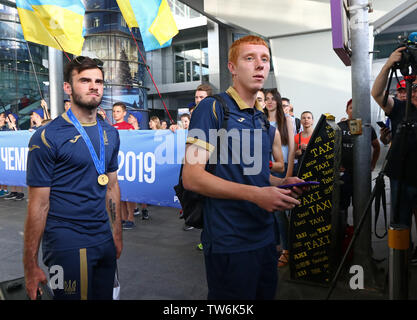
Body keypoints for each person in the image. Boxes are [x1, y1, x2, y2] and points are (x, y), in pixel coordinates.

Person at [182, 35, 304, 300]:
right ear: (232, 67)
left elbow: (256, 177)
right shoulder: (211, 108)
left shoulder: (260, 120)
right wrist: (257, 195)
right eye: (250, 58)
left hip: (264, 238)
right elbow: (191, 178)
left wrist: (279, 183)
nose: (260, 65)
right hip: (229, 240)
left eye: (265, 59)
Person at [23, 56, 123, 300]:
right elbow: (38, 204)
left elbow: (111, 186)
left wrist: (117, 234)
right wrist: (29, 265)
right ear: (68, 88)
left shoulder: (110, 132)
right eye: (85, 80)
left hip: (103, 239)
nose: (93, 86)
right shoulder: (47, 137)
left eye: (98, 81)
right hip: (65, 243)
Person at [371, 46, 417, 261]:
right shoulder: (400, 108)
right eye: (412, 88)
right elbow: (377, 94)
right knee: (400, 221)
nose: (414, 92)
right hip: (401, 176)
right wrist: (388, 65)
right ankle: (401, 261)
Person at [337, 98, 380, 232]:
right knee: (342, 205)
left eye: (356, 108)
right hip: (344, 175)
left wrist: (372, 165)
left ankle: (360, 234)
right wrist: (337, 166)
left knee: (361, 205)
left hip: (361, 175)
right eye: (351, 108)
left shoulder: (367, 127)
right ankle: (343, 233)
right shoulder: (339, 127)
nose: (353, 111)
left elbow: (376, 147)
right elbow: (332, 149)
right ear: (346, 110)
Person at [265, 88, 296, 268]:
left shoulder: (287, 121)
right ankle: (275, 246)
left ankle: (287, 249)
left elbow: (292, 150)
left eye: (272, 99)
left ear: (277, 101)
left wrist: (288, 175)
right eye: (266, 99)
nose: (269, 102)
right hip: (267, 171)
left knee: (281, 214)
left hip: (283, 172)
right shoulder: (261, 120)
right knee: (271, 212)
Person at [112, 102, 136, 230]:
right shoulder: (110, 127)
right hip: (115, 164)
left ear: (124, 113)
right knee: (118, 192)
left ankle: (131, 217)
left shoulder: (128, 127)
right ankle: (122, 217)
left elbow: (135, 144)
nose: (115, 114)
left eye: (118, 111)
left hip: (127, 162)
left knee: (129, 192)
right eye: (114, 111)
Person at [3, 113, 25, 201]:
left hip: (15, 153)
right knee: (10, 173)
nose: (8, 117)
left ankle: (20, 192)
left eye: (11, 117)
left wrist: (14, 128)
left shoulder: (18, 129)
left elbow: (19, 137)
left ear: (15, 120)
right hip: (7, 153)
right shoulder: (4, 129)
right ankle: (13, 192)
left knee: (17, 172)